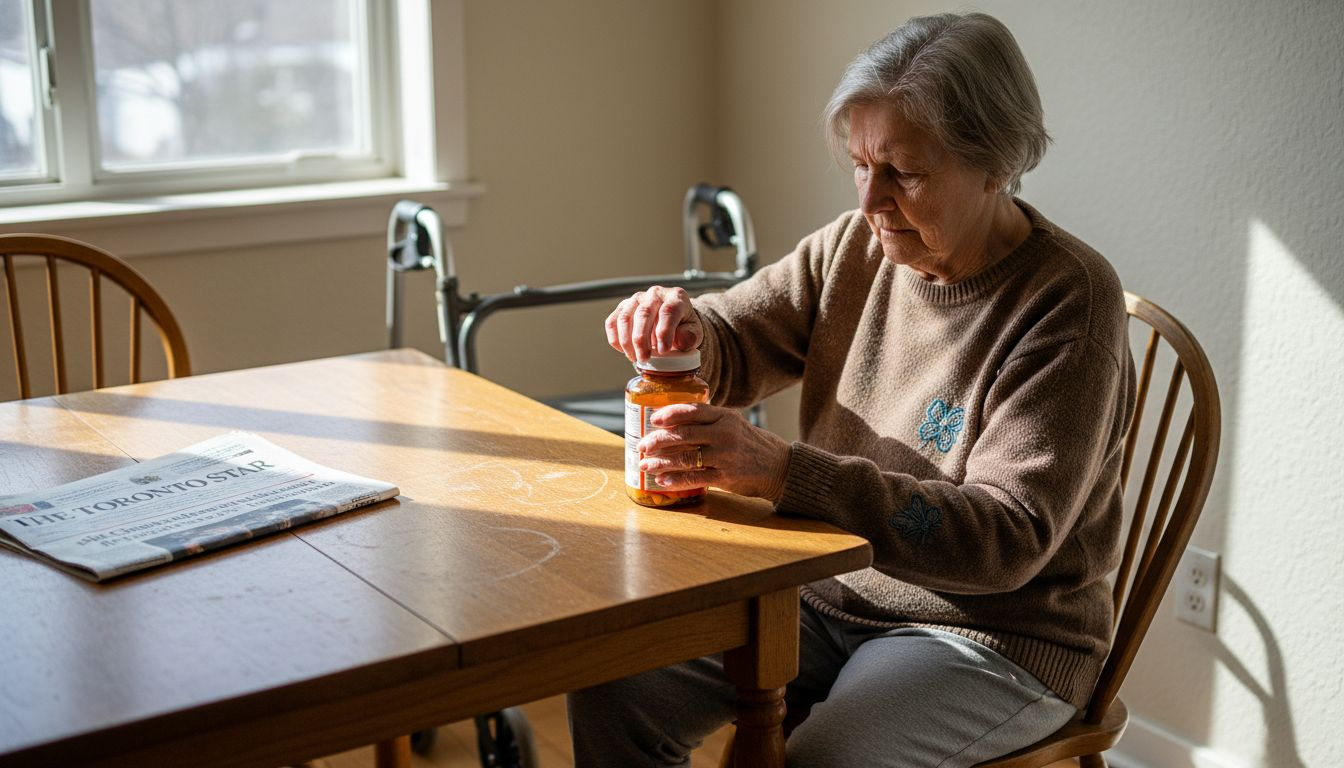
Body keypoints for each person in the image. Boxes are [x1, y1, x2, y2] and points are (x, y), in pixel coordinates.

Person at [569, 11, 1136, 768]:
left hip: (995, 632)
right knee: (611, 682)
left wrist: (781, 471)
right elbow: (735, 340)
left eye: (903, 173)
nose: (870, 201)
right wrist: (683, 332)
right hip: (826, 585)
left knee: (824, 762)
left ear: (994, 163)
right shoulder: (856, 247)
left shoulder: (1070, 301)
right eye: (860, 164)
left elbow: (1007, 540)